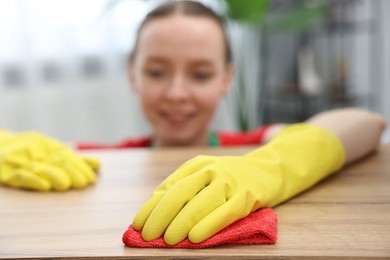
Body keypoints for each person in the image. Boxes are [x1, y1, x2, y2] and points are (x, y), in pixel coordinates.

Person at [0, 0, 386, 246]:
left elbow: (364, 122)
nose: (177, 93)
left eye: (200, 74)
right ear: (133, 75)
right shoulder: (105, 159)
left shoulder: (249, 146)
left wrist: (269, 167)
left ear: (226, 79)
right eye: (156, 72)